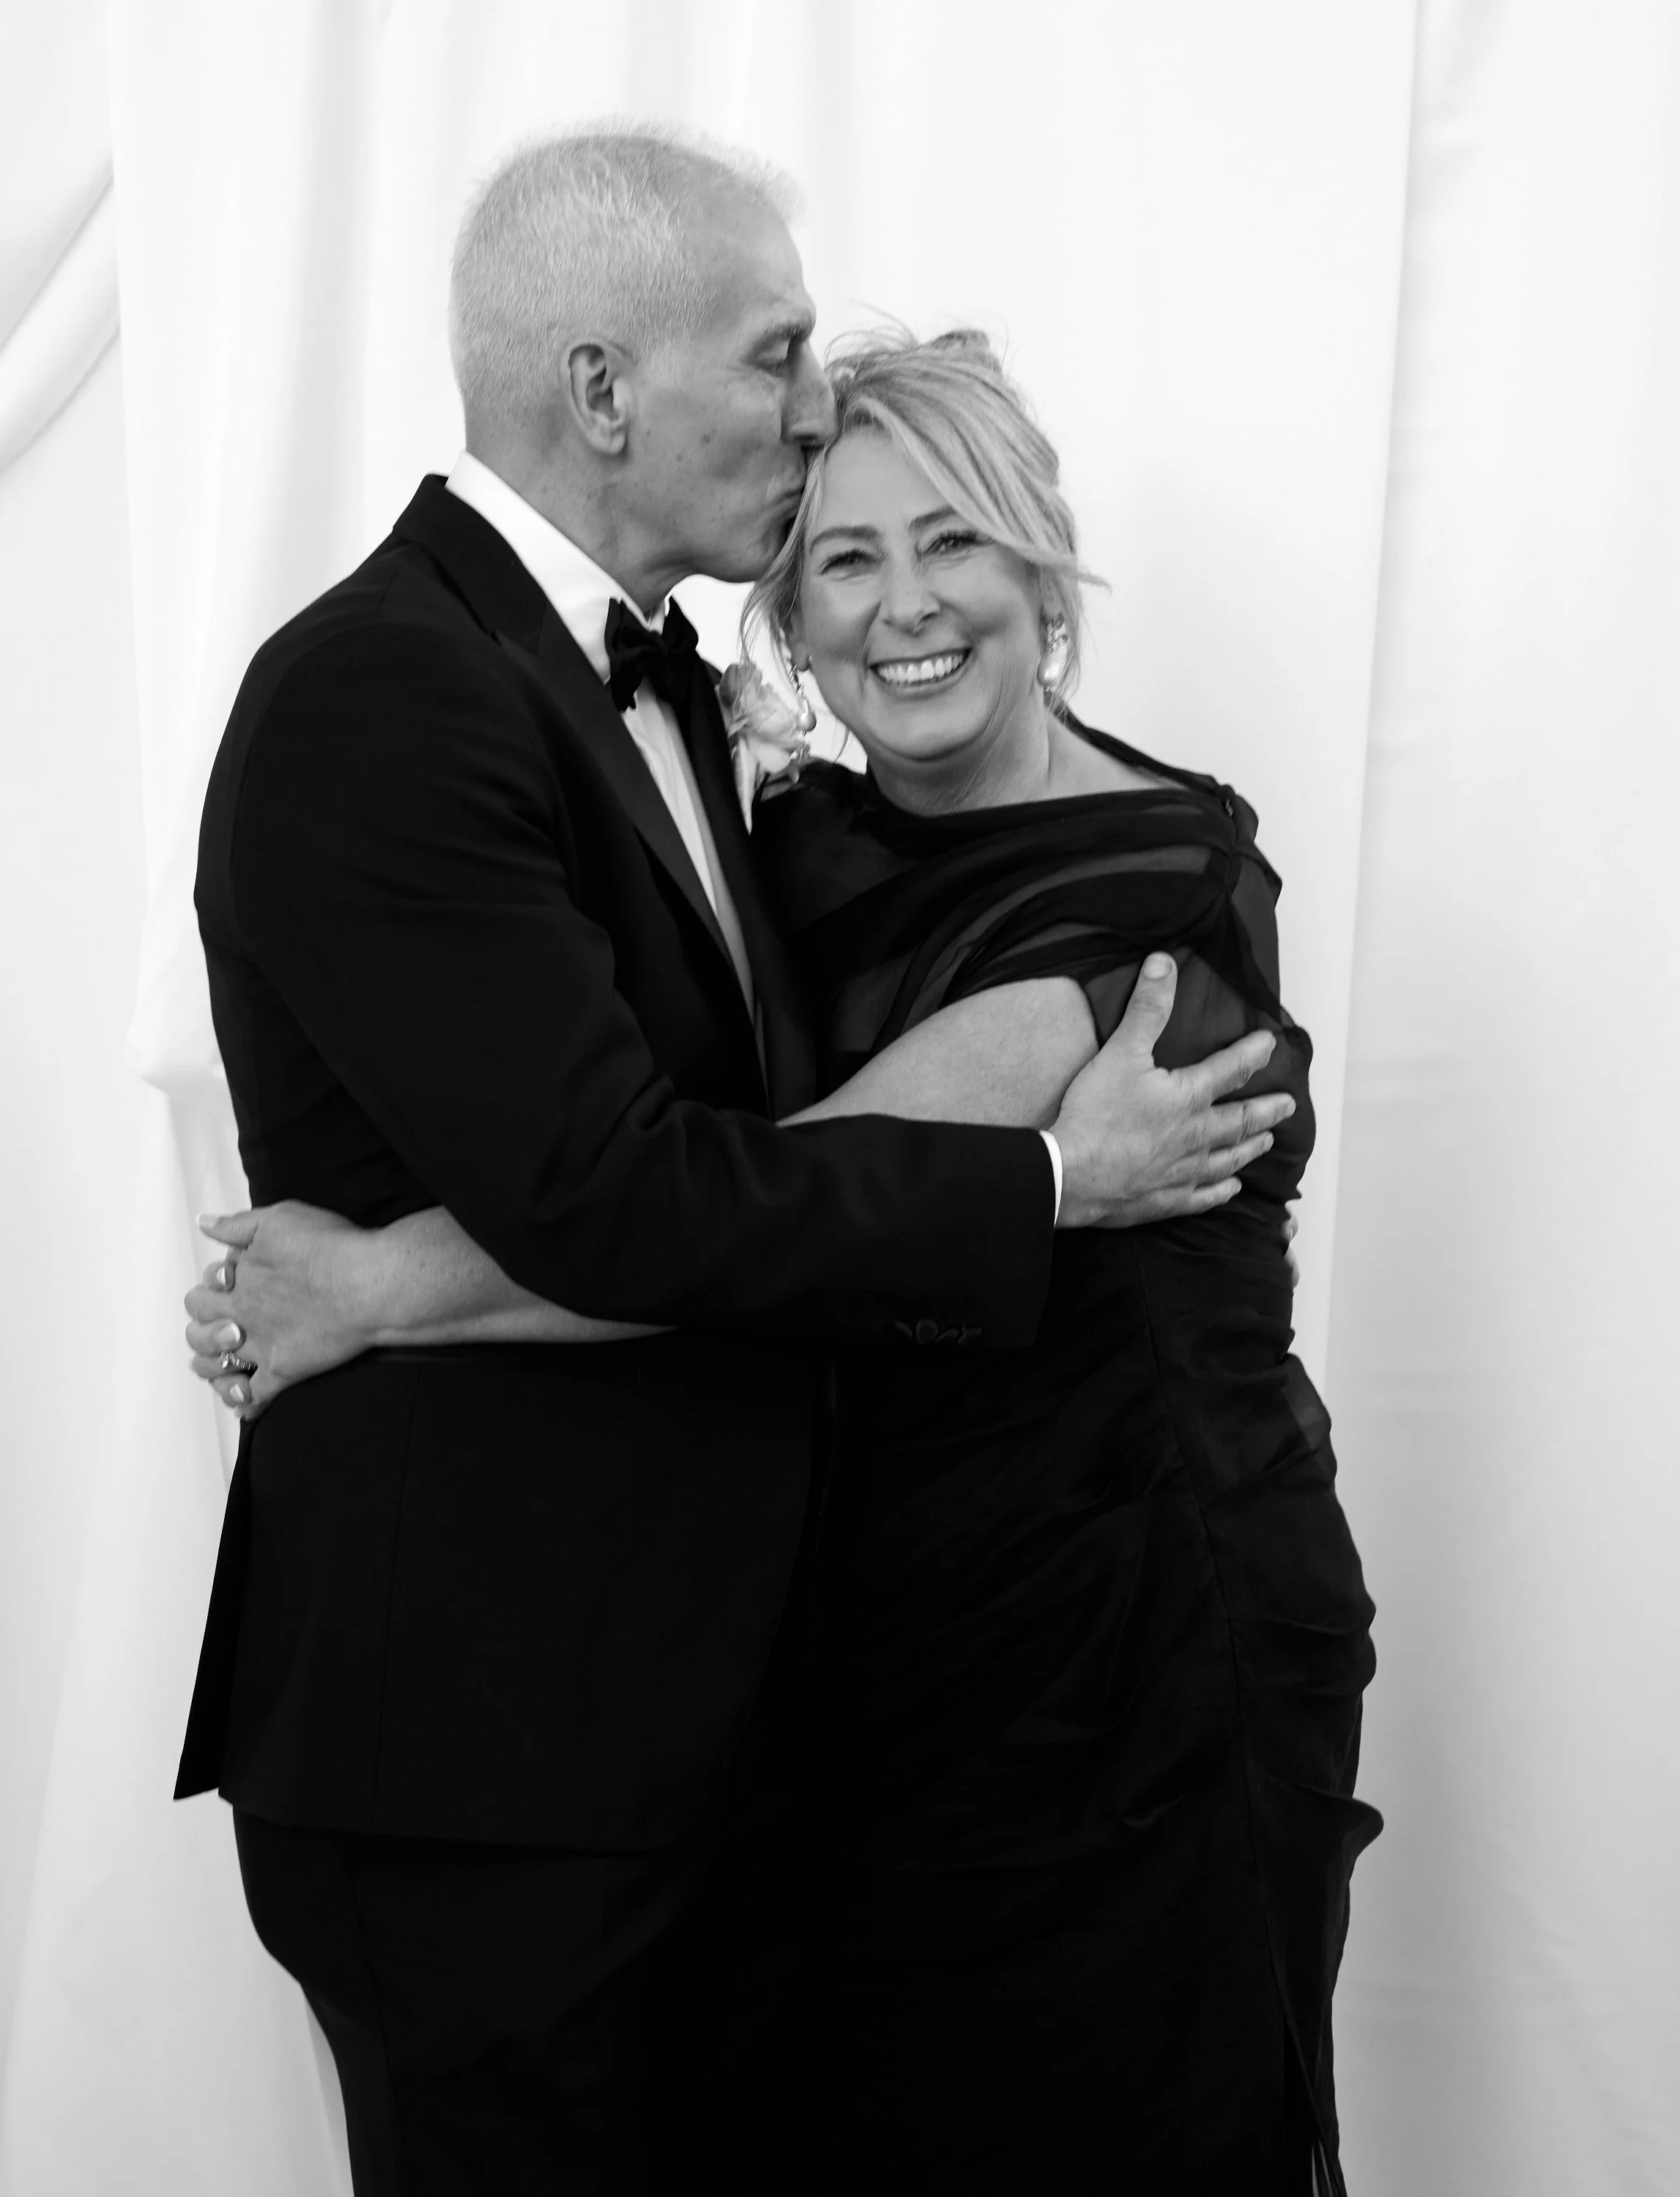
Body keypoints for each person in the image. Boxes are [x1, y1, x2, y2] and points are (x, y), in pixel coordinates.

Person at [176, 130, 1294, 2197]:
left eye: (950, 540)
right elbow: (627, 1197)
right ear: (604, 390)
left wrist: (376, 1282)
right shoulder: (388, 695)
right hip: (496, 1748)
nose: (805, 403)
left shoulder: (676, 705)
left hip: (880, 1679)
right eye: (775, 354)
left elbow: (704, 1164)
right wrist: (1050, 1187)